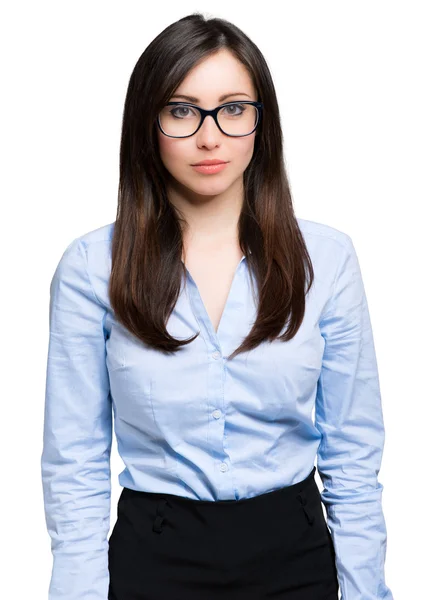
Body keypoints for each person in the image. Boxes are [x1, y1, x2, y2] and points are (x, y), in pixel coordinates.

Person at [40, 12, 394, 600]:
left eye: (233, 109)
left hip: (296, 557)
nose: (210, 136)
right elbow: (73, 463)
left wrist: (366, 591)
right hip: (154, 558)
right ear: (147, 124)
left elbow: (353, 454)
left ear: (262, 123)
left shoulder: (327, 260)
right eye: (182, 110)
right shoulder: (90, 267)